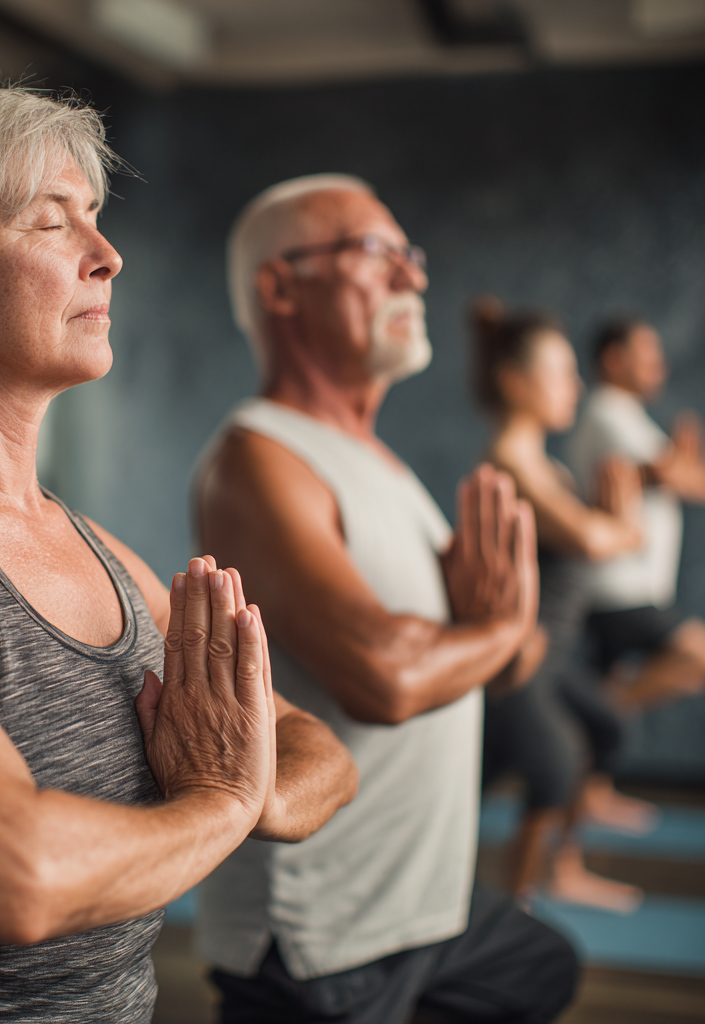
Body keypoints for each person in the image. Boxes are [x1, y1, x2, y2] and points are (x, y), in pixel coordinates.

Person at [0, 83, 357, 1023]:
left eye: (96, 218)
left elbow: (318, 749)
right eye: (52, 223)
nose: (108, 256)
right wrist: (223, 800)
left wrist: (241, 791)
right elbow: (15, 877)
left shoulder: (98, 551)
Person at [193, 175, 577, 1024]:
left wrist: (490, 639)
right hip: (329, 933)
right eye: (376, 253)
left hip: (425, 901)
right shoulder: (260, 459)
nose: (413, 278)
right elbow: (389, 676)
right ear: (280, 287)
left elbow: (477, 660)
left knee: (540, 968)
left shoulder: (379, 463)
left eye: (412, 256)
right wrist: (501, 626)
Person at [473, 298, 657, 913]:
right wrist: (623, 524)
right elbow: (588, 537)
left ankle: (555, 871)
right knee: (551, 767)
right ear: (515, 382)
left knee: (601, 728)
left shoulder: (542, 462)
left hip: (550, 654)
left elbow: (593, 532)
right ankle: (514, 904)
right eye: (561, 372)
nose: (575, 384)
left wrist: (614, 524)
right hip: (518, 660)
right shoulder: (510, 464)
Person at [568, 317, 705, 707]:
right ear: (613, 358)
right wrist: (680, 469)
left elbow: (681, 475)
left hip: (633, 587)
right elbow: (669, 474)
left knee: (597, 746)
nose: (658, 363)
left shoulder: (629, 416)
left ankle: (596, 727)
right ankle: (603, 711)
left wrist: (683, 470)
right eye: (647, 352)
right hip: (618, 588)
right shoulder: (607, 409)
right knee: (696, 657)